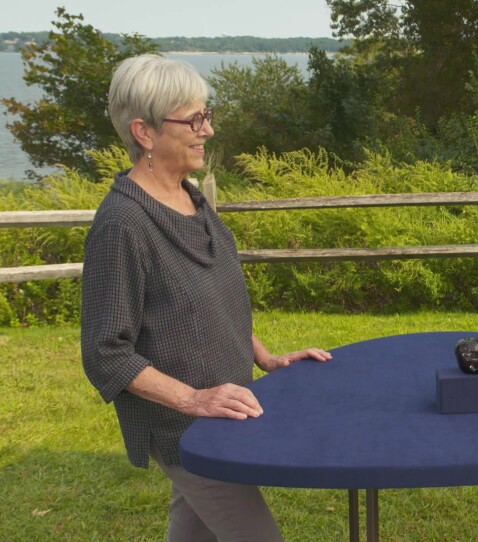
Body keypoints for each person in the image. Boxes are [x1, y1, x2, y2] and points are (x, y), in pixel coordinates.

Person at [81, 54, 332, 542]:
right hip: (181, 428)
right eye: (194, 119)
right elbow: (105, 351)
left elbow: (214, 299)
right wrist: (194, 398)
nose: (208, 130)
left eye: (207, 114)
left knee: (192, 532)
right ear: (145, 132)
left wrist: (266, 359)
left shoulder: (191, 198)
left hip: (220, 413)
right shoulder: (122, 225)